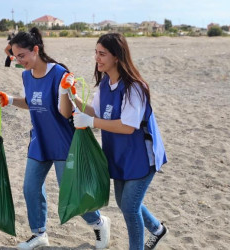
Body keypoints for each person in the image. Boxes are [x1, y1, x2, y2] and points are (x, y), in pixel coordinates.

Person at [0, 27, 110, 250]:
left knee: (71, 191)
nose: (19, 61)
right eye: (15, 57)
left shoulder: (59, 73)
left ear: (35, 50)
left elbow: (66, 112)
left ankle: (98, 222)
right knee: (30, 188)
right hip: (39, 140)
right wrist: (10, 100)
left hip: (63, 141)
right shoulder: (26, 75)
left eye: (22, 56)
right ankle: (39, 234)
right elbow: (31, 102)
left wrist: (67, 91)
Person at [59, 33, 168, 250]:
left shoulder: (134, 88)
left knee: (129, 207)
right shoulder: (105, 85)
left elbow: (127, 126)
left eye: (102, 54)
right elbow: (96, 112)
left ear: (117, 56)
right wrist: (71, 94)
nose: (97, 58)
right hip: (118, 156)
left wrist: (91, 122)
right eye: (96, 53)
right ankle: (157, 229)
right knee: (125, 202)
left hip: (142, 157)